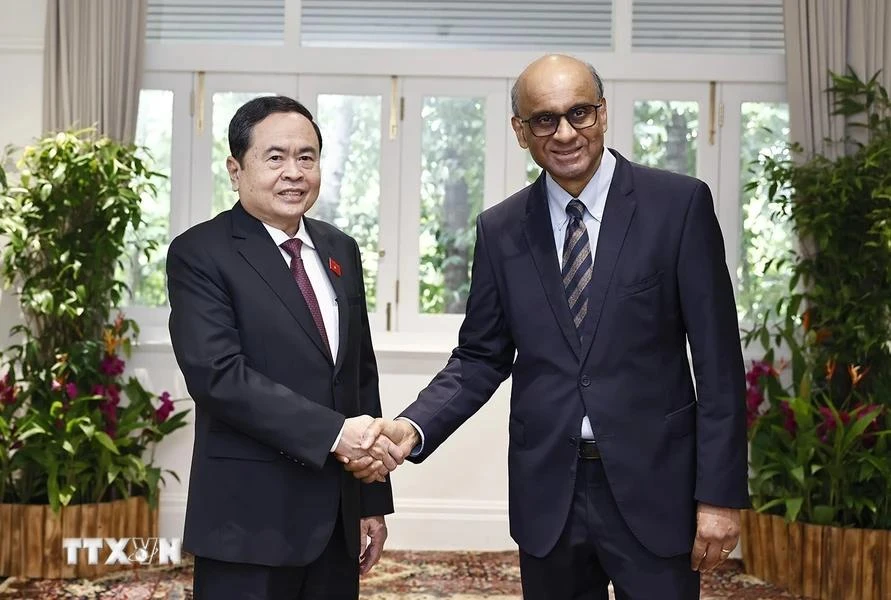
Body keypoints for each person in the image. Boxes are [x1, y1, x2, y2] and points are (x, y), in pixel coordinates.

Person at [347, 55, 749, 599]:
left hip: (656, 487)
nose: (564, 133)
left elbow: (719, 364)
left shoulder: (678, 207)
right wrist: (412, 427)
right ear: (520, 131)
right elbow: (480, 358)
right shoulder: (501, 229)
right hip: (549, 496)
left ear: (603, 114)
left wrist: (720, 495)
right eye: (544, 119)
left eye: (579, 113)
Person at [167, 95, 400, 600]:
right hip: (248, 523)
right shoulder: (200, 253)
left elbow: (358, 376)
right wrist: (336, 434)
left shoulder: (340, 249)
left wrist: (370, 498)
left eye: (307, 157)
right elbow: (218, 376)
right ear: (236, 168)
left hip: (335, 520)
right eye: (275, 158)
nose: (294, 172)